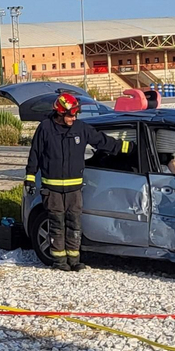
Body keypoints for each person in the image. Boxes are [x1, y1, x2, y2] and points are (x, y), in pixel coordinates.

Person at [24, 92, 130, 272]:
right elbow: (35, 154)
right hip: (52, 189)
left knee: (74, 224)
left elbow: (102, 141)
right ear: (59, 113)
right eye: (70, 115)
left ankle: (74, 260)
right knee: (56, 224)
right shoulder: (45, 128)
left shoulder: (80, 128)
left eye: (75, 114)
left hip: (74, 189)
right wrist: (30, 177)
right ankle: (59, 261)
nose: (73, 118)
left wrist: (126, 148)